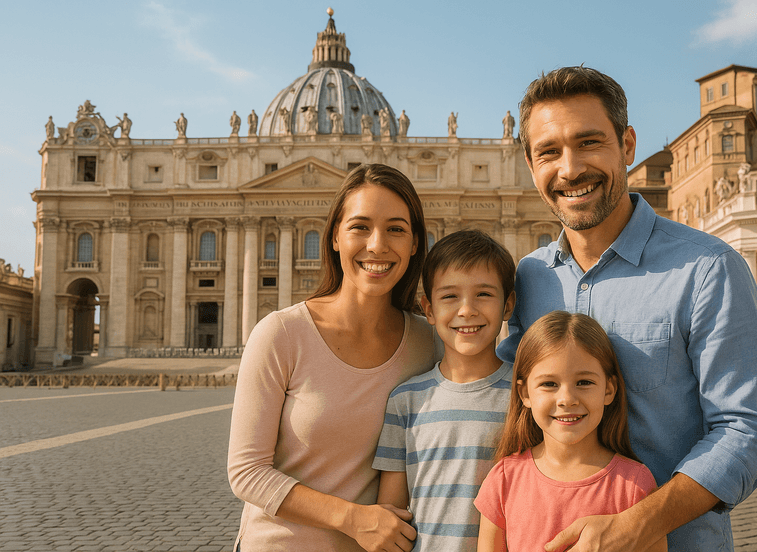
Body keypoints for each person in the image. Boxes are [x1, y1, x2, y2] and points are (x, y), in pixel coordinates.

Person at [497, 66, 757, 551]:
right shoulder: (529, 278)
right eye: (549, 152)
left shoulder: (708, 268)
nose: (569, 169)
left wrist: (637, 525)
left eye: (589, 143)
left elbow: (746, 429)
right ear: (530, 164)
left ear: (627, 145)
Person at [228, 164, 441, 552]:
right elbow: (247, 472)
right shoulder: (280, 334)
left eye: (396, 228)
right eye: (360, 226)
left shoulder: (430, 342)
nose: (377, 245)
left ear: (415, 243)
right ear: (335, 238)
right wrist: (353, 518)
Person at [373, 229, 516, 552]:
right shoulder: (405, 401)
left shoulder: (526, 398)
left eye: (483, 294)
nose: (467, 310)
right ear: (429, 310)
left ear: (508, 305)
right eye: (450, 296)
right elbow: (391, 514)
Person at [476, 311, 667, 552]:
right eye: (549, 384)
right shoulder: (503, 480)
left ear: (609, 390)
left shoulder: (635, 485)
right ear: (525, 394)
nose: (566, 399)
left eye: (584, 382)